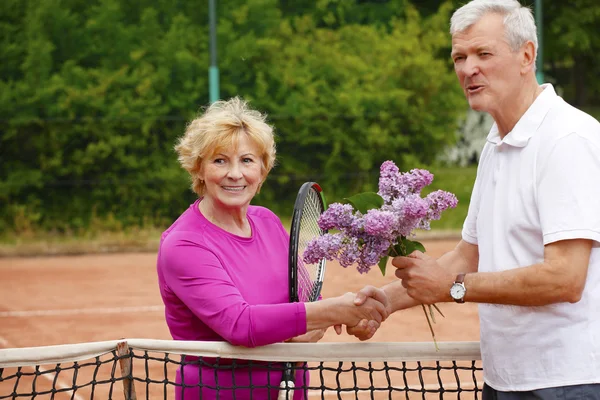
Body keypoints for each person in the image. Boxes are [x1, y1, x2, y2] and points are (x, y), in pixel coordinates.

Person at [348, 0, 600, 398]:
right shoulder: (495, 144)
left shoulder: (567, 140)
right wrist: (383, 302)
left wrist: (453, 287)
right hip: (504, 379)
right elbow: (468, 256)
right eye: (459, 57)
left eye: (484, 53)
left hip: (569, 381)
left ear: (526, 56)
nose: (468, 69)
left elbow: (565, 278)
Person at [156, 97, 388, 400]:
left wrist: (347, 314)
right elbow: (240, 324)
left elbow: (296, 301)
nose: (235, 173)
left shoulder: (266, 220)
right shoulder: (184, 245)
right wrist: (332, 311)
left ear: (263, 169)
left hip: (290, 389)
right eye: (219, 160)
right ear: (198, 169)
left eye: (247, 160)